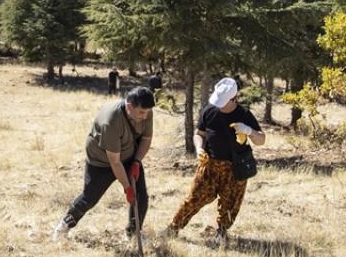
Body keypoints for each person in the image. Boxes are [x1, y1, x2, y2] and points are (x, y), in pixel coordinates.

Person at [165, 77, 264, 245]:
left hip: (234, 168)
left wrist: (248, 131)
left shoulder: (244, 115)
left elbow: (261, 140)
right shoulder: (209, 111)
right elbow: (199, 134)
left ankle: (222, 232)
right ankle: (173, 227)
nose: (219, 105)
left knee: (229, 204)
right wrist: (199, 149)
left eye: (224, 102)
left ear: (235, 98)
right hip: (209, 165)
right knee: (194, 198)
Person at [52, 86, 154, 241]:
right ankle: (64, 226)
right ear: (129, 107)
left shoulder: (145, 112)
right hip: (101, 161)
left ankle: (132, 233)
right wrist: (127, 188)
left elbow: (146, 139)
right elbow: (114, 161)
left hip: (129, 157)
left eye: (147, 112)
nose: (145, 116)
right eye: (141, 112)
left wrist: (136, 161)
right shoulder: (111, 120)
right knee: (89, 198)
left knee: (141, 197)